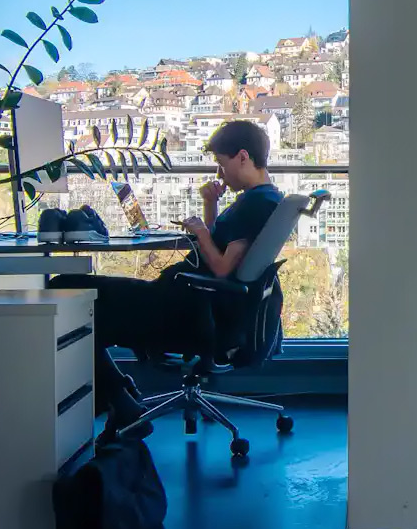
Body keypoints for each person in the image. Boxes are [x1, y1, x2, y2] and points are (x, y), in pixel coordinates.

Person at [52, 118, 283, 427]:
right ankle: (120, 396)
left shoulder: (256, 204)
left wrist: (200, 232)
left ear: (243, 156)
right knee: (72, 293)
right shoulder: (264, 198)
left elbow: (222, 267)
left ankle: (119, 398)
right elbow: (220, 247)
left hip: (184, 309)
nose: (220, 173)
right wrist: (210, 205)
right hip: (193, 302)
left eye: (222, 164)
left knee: (66, 291)